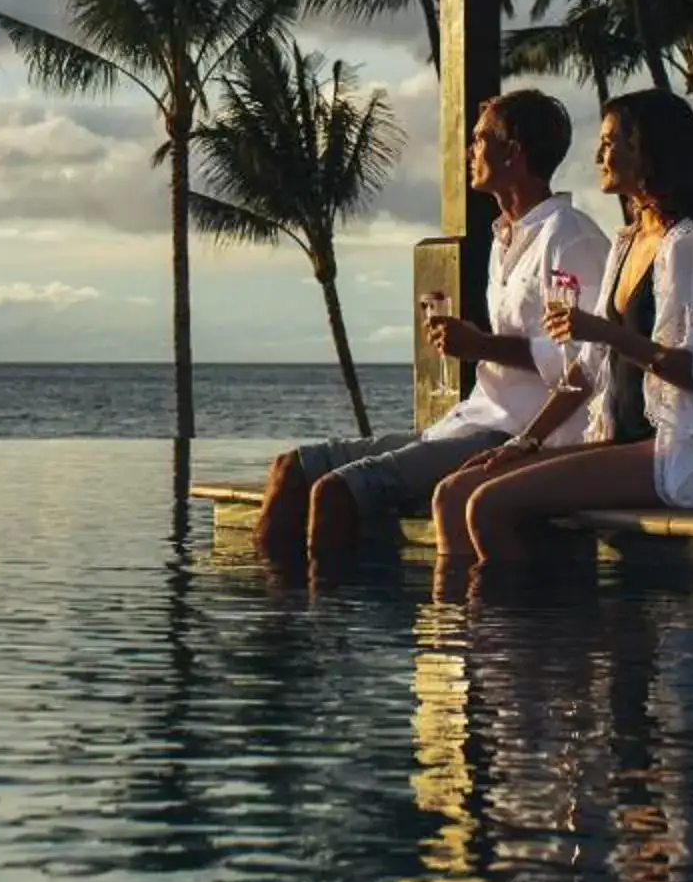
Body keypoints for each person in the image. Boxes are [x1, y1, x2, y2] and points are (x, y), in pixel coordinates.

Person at [253, 88, 610, 562]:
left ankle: (329, 626)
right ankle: (277, 624)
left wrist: (482, 345)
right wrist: (479, 346)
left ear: (513, 153)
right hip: (469, 419)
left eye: (481, 140)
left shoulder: (571, 238)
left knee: (337, 491)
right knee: (291, 469)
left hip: (516, 432)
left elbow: (585, 362)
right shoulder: (505, 237)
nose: (470, 151)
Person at [431, 86, 693, 574]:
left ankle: (524, 637)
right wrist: (526, 441)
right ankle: (464, 633)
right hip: (618, 437)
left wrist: (605, 332)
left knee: (487, 506)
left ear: (648, 150)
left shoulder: (686, 246)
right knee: (454, 492)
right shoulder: (626, 243)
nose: (599, 154)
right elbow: (584, 370)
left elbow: (692, 370)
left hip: (674, 450)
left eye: (612, 142)